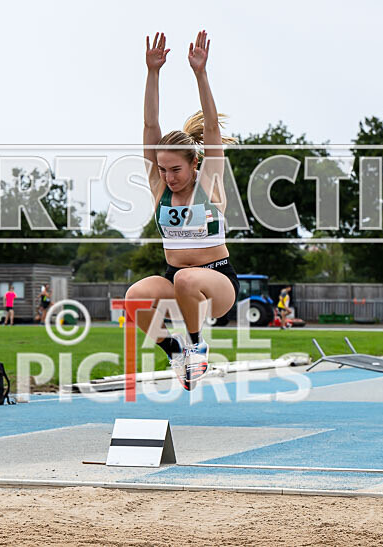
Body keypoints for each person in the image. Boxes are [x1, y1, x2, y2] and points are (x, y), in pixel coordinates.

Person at [125, 30, 239, 391]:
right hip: (178, 281)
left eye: (176, 170)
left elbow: (212, 128)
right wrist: (152, 72)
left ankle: (196, 346)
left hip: (217, 282)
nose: (168, 177)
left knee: (189, 278)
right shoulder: (160, 187)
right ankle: (175, 350)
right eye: (163, 169)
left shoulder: (210, 185)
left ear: (193, 165)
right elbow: (149, 127)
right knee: (134, 297)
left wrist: (200, 74)